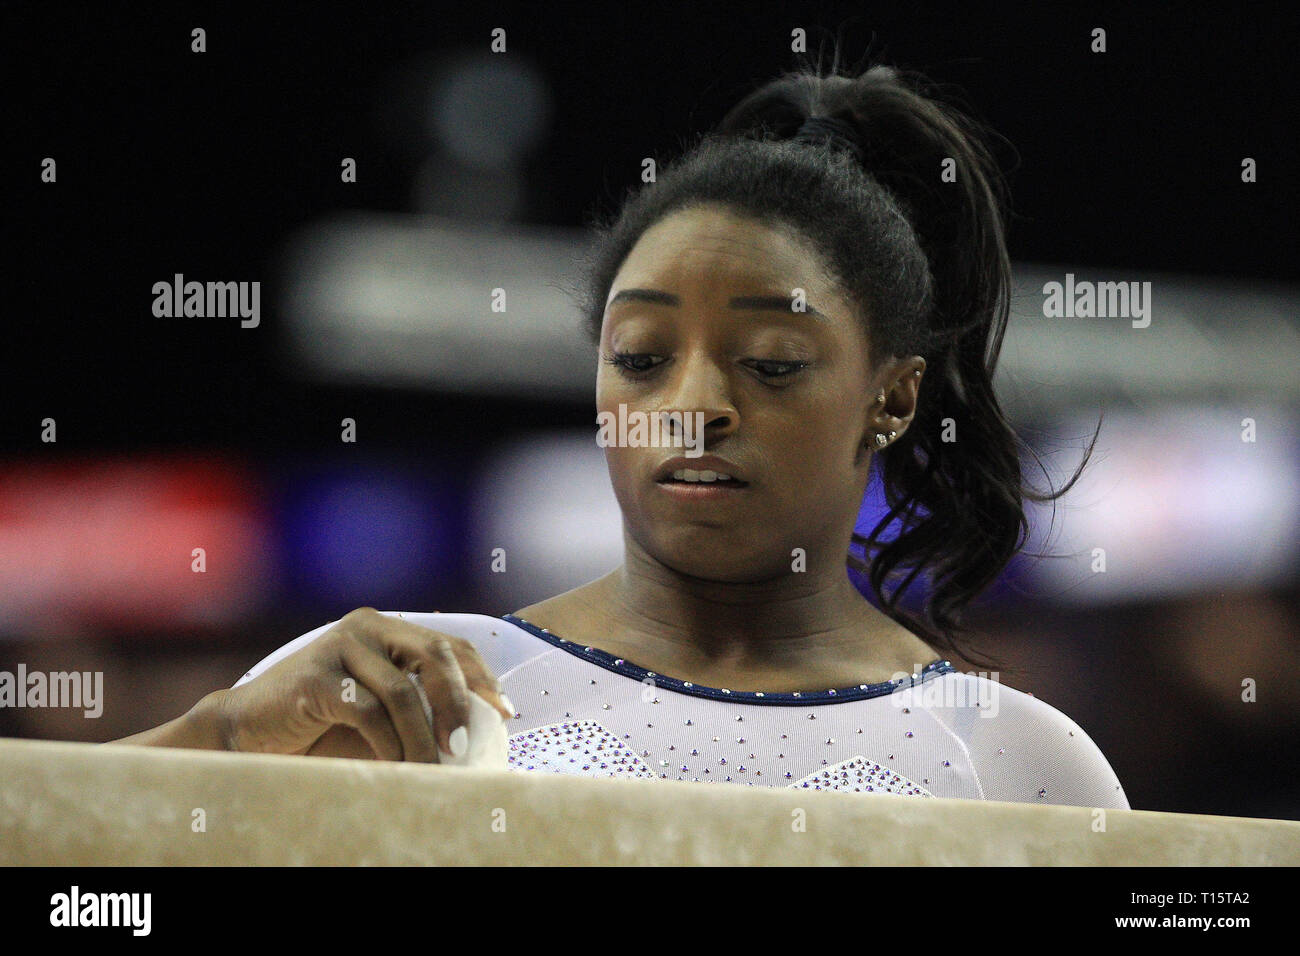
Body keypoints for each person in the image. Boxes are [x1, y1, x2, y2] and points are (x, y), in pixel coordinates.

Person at [113, 60, 1128, 808]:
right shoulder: (412, 695)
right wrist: (227, 730)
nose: (692, 405)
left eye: (771, 363)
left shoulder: (1019, 762)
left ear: (893, 398)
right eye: (641, 357)